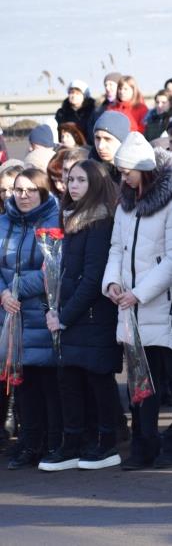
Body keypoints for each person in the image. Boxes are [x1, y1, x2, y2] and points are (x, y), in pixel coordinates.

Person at [102, 133, 172, 470]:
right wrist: (112, 282)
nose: (123, 177)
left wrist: (140, 293)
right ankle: (144, 441)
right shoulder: (125, 203)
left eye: (127, 171)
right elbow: (117, 248)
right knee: (141, 377)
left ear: (145, 169)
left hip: (163, 305)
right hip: (131, 306)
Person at [38, 160, 122, 471]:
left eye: (80, 180)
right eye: (70, 179)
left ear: (96, 185)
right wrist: (53, 309)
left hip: (91, 317)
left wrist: (63, 315)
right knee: (69, 379)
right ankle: (73, 441)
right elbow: (62, 274)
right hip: (71, 316)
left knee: (97, 378)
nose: (72, 186)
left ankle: (105, 441)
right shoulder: (71, 220)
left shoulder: (100, 223)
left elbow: (91, 279)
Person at [1, 168, 62, 470]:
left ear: (43, 191)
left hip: (42, 311)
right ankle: (29, 443)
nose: (23, 196)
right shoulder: (3, 223)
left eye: (30, 190)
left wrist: (16, 288)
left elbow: (53, 268)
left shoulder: (55, 219)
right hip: (12, 314)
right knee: (22, 384)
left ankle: (53, 443)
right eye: (17, 190)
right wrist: (3, 293)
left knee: (48, 383)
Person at [90, 111, 131, 183]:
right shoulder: (87, 170)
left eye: (107, 139)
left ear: (122, 141)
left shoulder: (136, 173)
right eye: (97, 138)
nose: (100, 146)